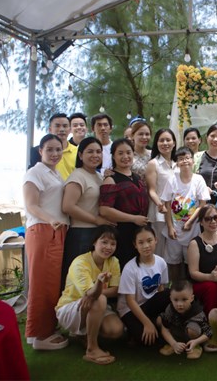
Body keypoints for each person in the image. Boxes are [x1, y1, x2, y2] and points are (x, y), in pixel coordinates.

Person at [23, 134, 69, 350]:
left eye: (58, 149)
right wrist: (50, 219)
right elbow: (31, 205)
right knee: (41, 284)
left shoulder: (55, 173)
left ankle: (44, 330)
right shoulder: (35, 173)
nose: (54, 153)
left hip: (56, 229)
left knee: (51, 284)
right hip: (43, 229)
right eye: (49, 149)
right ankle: (39, 335)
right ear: (40, 151)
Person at [56, 225, 124, 365]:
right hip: (69, 308)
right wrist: (97, 285)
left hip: (93, 305)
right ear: (94, 242)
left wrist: (94, 293)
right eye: (104, 242)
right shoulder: (80, 263)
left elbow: (115, 290)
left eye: (113, 243)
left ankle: (83, 334)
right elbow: (92, 293)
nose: (108, 247)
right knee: (100, 299)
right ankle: (92, 348)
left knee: (116, 330)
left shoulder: (113, 261)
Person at [61, 137, 114, 287]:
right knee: (78, 281)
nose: (95, 155)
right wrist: (96, 220)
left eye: (98, 151)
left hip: (96, 234)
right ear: (80, 155)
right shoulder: (77, 176)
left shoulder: (98, 176)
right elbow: (68, 206)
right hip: (80, 234)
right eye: (90, 151)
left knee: (93, 279)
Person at [99, 138, 149, 269]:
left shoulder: (137, 177)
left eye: (128, 152)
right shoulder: (111, 179)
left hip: (140, 232)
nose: (125, 156)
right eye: (120, 153)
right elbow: (104, 210)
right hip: (122, 233)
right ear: (113, 156)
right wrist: (133, 218)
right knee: (124, 269)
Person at [162, 147, 210, 282]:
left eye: (187, 158)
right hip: (175, 229)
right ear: (177, 163)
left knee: (191, 261)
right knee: (173, 262)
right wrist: (170, 227)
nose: (185, 161)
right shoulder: (172, 179)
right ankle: (175, 288)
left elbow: (202, 204)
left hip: (193, 229)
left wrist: (190, 222)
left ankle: (190, 288)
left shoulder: (198, 179)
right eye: (181, 159)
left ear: (193, 161)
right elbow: (167, 205)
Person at [117, 225, 170, 346]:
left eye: (149, 240)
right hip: (130, 309)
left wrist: (160, 312)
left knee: (169, 294)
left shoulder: (161, 262)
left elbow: (161, 289)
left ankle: (160, 323)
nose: (146, 246)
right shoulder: (130, 268)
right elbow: (130, 301)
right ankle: (133, 329)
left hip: (149, 304)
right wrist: (147, 323)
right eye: (141, 242)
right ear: (135, 245)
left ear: (156, 240)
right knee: (147, 341)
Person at [187, 204, 217, 315]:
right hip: (201, 285)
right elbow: (193, 273)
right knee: (212, 287)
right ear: (201, 222)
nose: (213, 221)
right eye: (208, 219)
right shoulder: (195, 243)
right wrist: (210, 277)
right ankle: (210, 318)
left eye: (216, 217)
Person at [159, 280, 213, 360]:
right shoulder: (170, 309)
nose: (180, 304)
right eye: (176, 300)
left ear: (191, 298)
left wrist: (196, 341)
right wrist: (173, 344)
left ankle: (195, 347)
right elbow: (165, 328)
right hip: (176, 331)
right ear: (171, 298)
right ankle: (173, 344)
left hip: (191, 334)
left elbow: (209, 332)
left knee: (192, 329)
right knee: (160, 320)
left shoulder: (197, 313)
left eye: (184, 299)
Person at [145, 128, 177, 259]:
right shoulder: (153, 164)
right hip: (160, 212)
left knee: (174, 251)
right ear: (156, 143)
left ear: (174, 143)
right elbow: (151, 190)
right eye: (161, 140)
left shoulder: (177, 164)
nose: (165, 143)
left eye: (168, 140)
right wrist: (160, 204)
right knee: (158, 250)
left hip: (178, 212)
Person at [29, 113, 77, 181]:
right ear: (50, 129)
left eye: (65, 126)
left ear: (70, 130)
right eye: (57, 126)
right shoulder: (38, 151)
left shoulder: (78, 151)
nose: (61, 129)